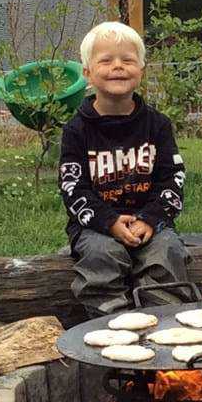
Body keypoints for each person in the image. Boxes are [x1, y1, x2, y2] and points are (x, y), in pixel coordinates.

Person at [58, 22, 188, 316]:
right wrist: (110, 222)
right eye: (105, 60)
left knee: (167, 253)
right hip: (96, 227)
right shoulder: (76, 130)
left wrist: (150, 219)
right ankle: (113, 335)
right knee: (101, 256)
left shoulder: (158, 125)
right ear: (87, 73)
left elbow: (173, 179)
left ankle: (165, 332)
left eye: (127, 60)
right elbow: (72, 188)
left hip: (152, 225)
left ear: (141, 69)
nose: (118, 66)